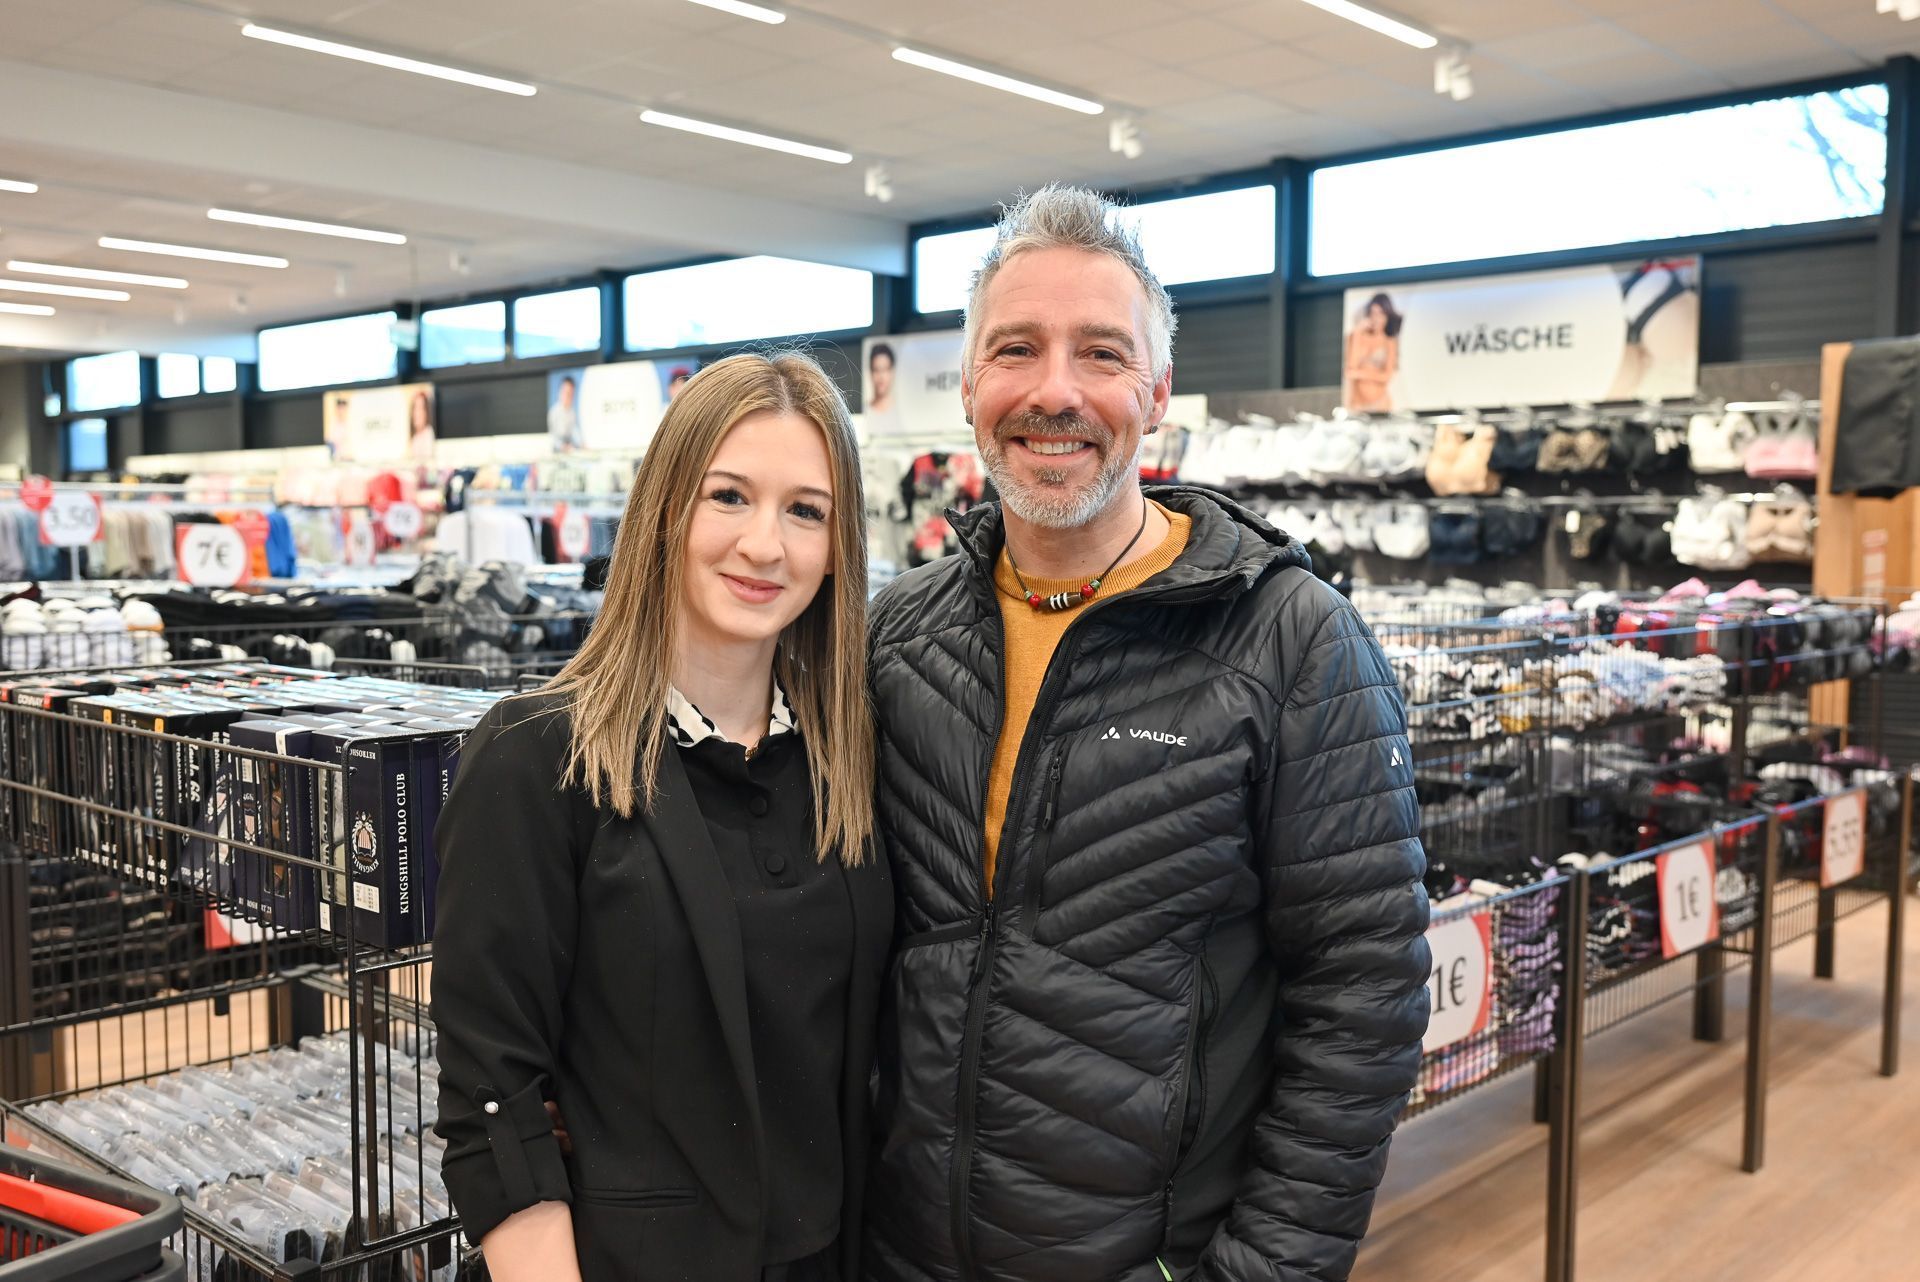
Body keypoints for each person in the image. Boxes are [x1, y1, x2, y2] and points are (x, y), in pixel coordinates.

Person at [863, 185, 1430, 1282]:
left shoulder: (1290, 640)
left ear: (1157, 393)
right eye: (1016, 349)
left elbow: (1365, 995)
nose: (1055, 390)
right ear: (970, 385)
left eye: (1102, 354)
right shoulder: (901, 635)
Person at [433, 351, 893, 1282]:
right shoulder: (537, 758)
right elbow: (493, 1098)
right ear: (665, 509)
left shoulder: (848, 762)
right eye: (730, 496)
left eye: (806, 511)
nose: (765, 545)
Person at [1344, 292, 1402, 412]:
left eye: (1380, 314)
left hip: (1381, 404)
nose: (1376, 318)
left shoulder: (1390, 342)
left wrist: (1360, 374)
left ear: (1387, 316)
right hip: (1357, 404)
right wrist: (1357, 333)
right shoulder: (1356, 336)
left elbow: (1387, 376)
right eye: (1373, 313)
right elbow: (1350, 368)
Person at [548, 374, 582, 452]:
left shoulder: (572, 412)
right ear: (560, 392)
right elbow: (552, 438)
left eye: (570, 394)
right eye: (566, 392)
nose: (567, 396)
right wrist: (562, 446)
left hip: (568, 449)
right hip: (556, 451)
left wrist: (581, 444)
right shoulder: (554, 412)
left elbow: (575, 432)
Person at [866, 343, 897, 415]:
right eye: (876, 370)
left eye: (885, 369)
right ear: (871, 373)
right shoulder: (866, 409)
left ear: (892, 372)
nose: (881, 376)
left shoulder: (901, 411)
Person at [408, 387, 435, 463]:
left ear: (427, 412)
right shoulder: (415, 436)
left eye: (421, 408)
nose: (417, 413)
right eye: (415, 408)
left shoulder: (428, 433)